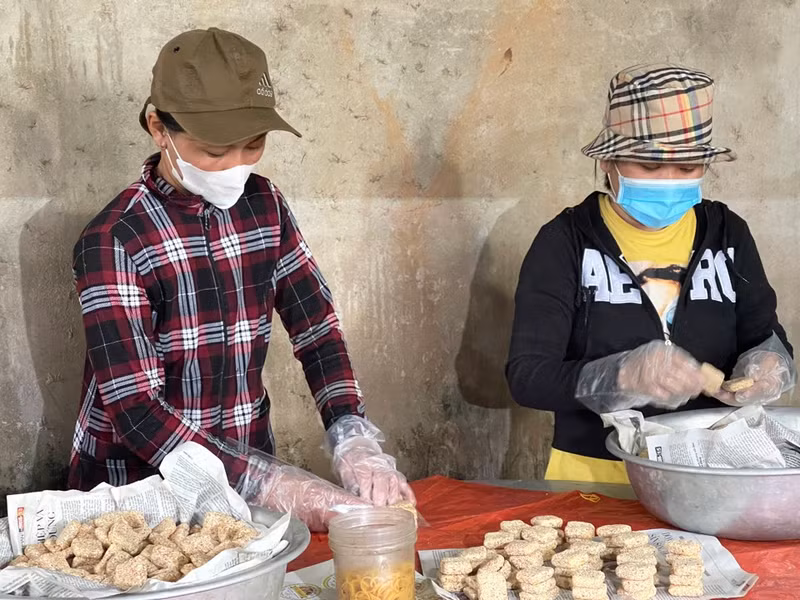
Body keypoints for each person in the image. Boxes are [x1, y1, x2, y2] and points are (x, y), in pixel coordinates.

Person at [69, 27, 413, 528]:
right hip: (140, 494)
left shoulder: (264, 205)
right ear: (157, 127)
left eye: (252, 146)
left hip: (246, 473)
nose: (235, 167)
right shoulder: (116, 240)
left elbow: (316, 328)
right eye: (214, 152)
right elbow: (138, 412)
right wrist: (272, 483)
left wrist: (351, 433)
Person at [506, 64, 796, 484]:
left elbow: (765, 335)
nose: (668, 181)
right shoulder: (565, 242)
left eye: (686, 168)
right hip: (593, 477)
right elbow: (527, 376)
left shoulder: (727, 233)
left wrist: (767, 367)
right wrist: (621, 375)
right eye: (649, 165)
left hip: (711, 471)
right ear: (609, 161)